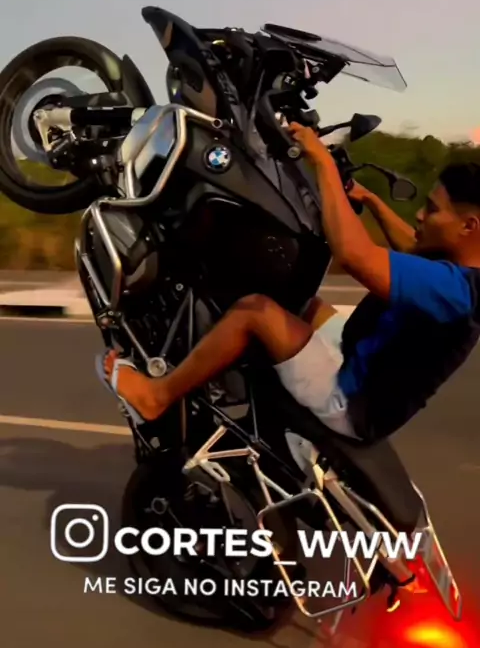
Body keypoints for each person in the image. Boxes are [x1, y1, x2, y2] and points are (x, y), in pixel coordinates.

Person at [100, 122, 480, 443]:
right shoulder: (457, 270)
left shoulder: (460, 292)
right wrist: (371, 201)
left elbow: (354, 255)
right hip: (360, 356)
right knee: (302, 300)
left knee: (255, 311)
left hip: (353, 400)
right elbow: (413, 247)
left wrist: (322, 163)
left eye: (432, 209)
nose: (420, 214)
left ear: (468, 226)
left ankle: (157, 396)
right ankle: (216, 363)